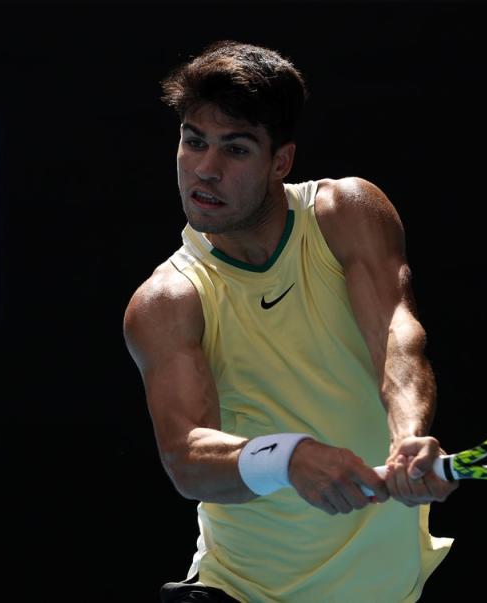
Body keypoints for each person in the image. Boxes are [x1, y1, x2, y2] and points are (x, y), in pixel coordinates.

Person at [123, 41, 457, 602]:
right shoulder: (169, 299)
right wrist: (287, 457)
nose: (206, 169)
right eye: (193, 141)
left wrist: (409, 436)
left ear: (281, 161)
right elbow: (187, 459)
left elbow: (396, 334)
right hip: (240, 593)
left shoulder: (346, 213)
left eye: (236, 149)